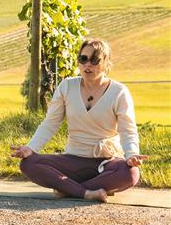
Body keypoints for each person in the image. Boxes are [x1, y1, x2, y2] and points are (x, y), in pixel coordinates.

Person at [11, 38, 145, 203]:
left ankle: (68, 188)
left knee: (130, 173)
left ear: (106, 63)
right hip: (73, 161)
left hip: (106, 162)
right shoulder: (67, 86)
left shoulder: (119, 92)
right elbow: (50, 124)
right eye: (83, 59)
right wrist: (31, 148)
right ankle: (87, 192)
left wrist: (131, 155)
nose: (88, 64)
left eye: (95, 60)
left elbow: (128, 130)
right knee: (28, 164)